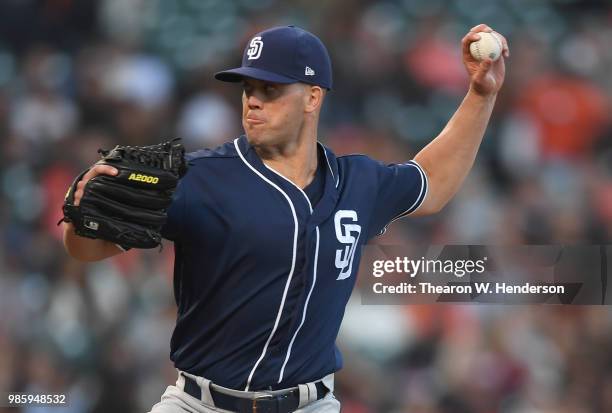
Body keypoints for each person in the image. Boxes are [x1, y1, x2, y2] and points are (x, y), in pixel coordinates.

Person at [63, 24, 509, 413]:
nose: (254, 101)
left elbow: (430, 181)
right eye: (248, 88)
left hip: (310, 405)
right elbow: (87, 248)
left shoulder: (357, 183)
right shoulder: (198, 178)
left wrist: (480, 95)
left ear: (313, 97)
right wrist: (82, 218)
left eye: (271, 89)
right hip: (201, 404)